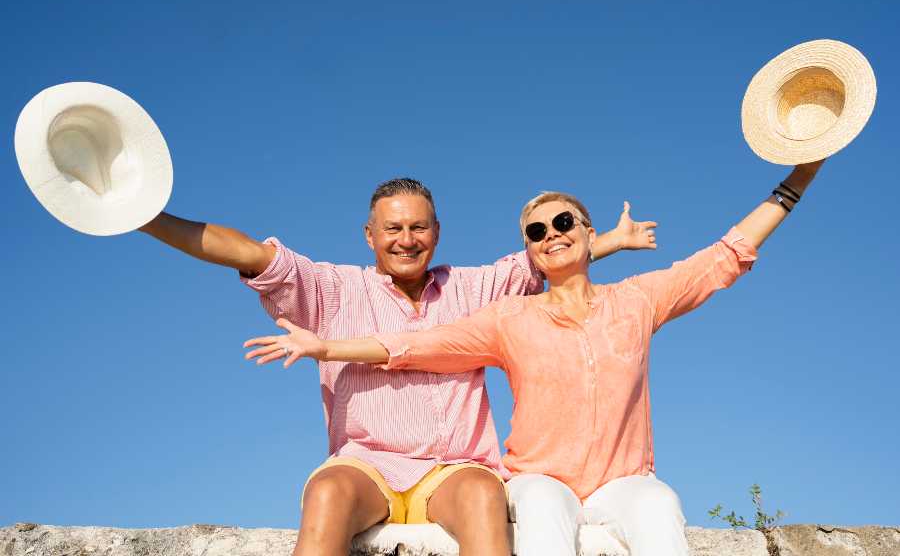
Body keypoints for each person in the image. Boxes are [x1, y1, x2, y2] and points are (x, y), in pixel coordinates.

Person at [244, 162, 823, 556]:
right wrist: (325, 347)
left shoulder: (637, 302)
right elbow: (415, 346)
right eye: (537, 230)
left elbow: (724, 257)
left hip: (624, 481)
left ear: (589, 233)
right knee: (542, 511)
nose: (551, 234)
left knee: (660, 507)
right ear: (529, 250)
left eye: (564, 223)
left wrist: (796, 180)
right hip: (540, 479)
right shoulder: (508, 319)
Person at [140, 177, 656, 556]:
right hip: (367, 464)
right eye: (392, 228)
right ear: (370, 235)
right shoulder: (332, 289)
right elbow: (248, 253)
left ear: (436, 232)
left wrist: (609, 241)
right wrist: (144, 216)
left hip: (453, 468)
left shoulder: (476, 288)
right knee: (326, 492)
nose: (406, 239)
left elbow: (551, 253)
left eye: (417, 227)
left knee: (484, 495)